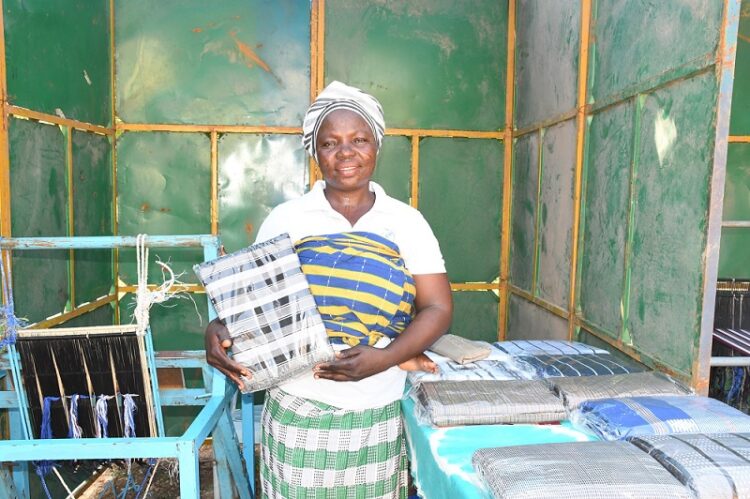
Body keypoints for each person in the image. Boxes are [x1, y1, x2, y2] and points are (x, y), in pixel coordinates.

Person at [205, 81, 452, 498]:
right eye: (329, 143)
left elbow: (437, 308)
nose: (345, 153)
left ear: (376, 144)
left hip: (377, 407)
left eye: (359, 140)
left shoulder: (406, 222)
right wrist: (218, 327)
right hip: (298, 408)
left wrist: (386, 358)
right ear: (314, 152)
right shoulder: (288, 219)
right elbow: (253, 305)